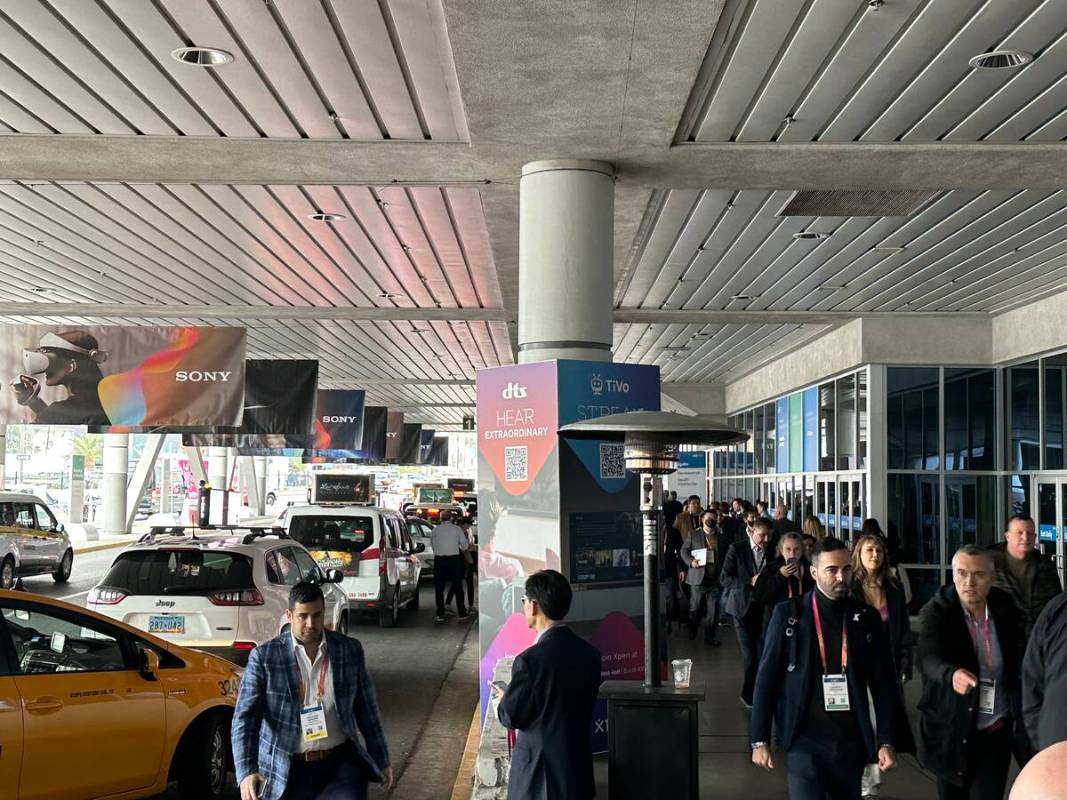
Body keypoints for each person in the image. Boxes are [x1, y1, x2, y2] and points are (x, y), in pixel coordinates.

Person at [750, 538, 898, 799]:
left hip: (850, 740)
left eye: (847, 569)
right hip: (803, 739)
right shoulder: (790, 615)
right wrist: (759, 740)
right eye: (832, 570)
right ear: (814, 572)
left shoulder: (865, 618)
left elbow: (883, 683)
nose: (841, 576)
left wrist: (886, 741)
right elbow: (766, 679)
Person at [232, 581, 392, 800]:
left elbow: (367, 710)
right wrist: (246, 771)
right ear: (289, 615)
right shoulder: (265, 657)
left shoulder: (348, 649)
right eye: (303, 616)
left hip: (339, 766)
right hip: (286, 768)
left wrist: (381, 760)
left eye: (317, 615)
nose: (311, 623)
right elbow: (245, 719)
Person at [916, 545, 1026, 800]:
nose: (969, 582)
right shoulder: (939, 611)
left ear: (991, 577)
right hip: (951, 729)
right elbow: (927, 657)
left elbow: (1020, 651)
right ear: (953, 575)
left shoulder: (1004, 607)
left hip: (994, 727)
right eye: (962, 573)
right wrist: (950, 674)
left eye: (979, 574)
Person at [496, 569, 602, 800]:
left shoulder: (530, 661)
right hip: (578, 773)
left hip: (538, 779)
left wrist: (503, 698)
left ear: (533, 606)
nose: (524, 605)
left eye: (524, 600)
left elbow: (511, 717)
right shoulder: (590, 654)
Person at [852, 533, 917, 798]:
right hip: (857, 664)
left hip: (886, 664)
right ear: (859, 554)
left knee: (881, 720)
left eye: (878, 550)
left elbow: (902, 630)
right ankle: (863, 778)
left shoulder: (893, 588)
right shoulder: (852, 589)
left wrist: (905, 663)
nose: (875, 555)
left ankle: (872, 779)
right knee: (862, 720)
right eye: (869, 550)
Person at [722, 516, 772, 708]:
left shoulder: (772, 550)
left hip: (762, 607)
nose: (765, 540)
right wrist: (749, 582)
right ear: (752, 532)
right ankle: (748, 694)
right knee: (749, 654)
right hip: (741, 608)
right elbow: (725, 578)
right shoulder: (737, 549)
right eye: (762, 536)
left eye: (768, 536)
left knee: (762, 652)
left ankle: (758, 691)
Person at [10, 330, 111, 425]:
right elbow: (66, 420)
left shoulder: (60, 411)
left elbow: (35, 434)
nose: (45, 369)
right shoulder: (109, 401)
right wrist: (34, 401)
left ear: (71, 366)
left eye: (48, 357)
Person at [988, 514, 1061, 638]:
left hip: (1038, 641)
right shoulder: (988, 564)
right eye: (1019, 533)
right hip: (998, 641)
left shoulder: (1046, 567)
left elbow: (1057, 605)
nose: (1025, 537)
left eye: (1030, 533)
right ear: (1007, 536)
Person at [1022, 591, 1067, 752]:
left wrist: (1043, 741)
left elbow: (1031, 684)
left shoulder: (1056, 609)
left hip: (1054, 745)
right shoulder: (1056, 610)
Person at [753, 532, 813, 632]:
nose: (792, 553)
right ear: (781, 550)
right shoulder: (771, 568)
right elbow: (759, 595)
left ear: (802, 550)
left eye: (796, 549)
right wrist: (780, 577)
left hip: (804, 622)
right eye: (788, 549)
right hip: (777, 623)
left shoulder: (810, 568)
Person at [680, 509, 723, 645]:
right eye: (708, 517)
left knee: (713, 611)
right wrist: (691, 561)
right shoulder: (693, 534)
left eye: (714, 517)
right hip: (698, 578)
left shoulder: (721, 536)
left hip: (715, 579)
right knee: (695, 608)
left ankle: (710, 637)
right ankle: (692, 628)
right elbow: (683, 551)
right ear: (702, 519)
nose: (711, 519)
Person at [431, 509, 469, 622]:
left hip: (439, 560)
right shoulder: (457, 529)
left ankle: (440, 613)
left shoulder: (435, 530)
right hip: (454, 560)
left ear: (441, 518)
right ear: (451, 518)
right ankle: (462, 612)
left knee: (439, 587)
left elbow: (432, 545)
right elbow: (465, 546)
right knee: (458, 586)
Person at [446, 516, 476, 611]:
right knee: (458, 583)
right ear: (463, 524)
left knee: (467, 583)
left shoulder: (468, 532)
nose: (468, 528)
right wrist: (470, 548)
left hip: (468, 560)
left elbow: (468, 544)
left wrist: (471, 547)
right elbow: (463, 547)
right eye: (467, 526)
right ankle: (449, 604)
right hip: (461, 560)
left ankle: (470, 605)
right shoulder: (458, 533)